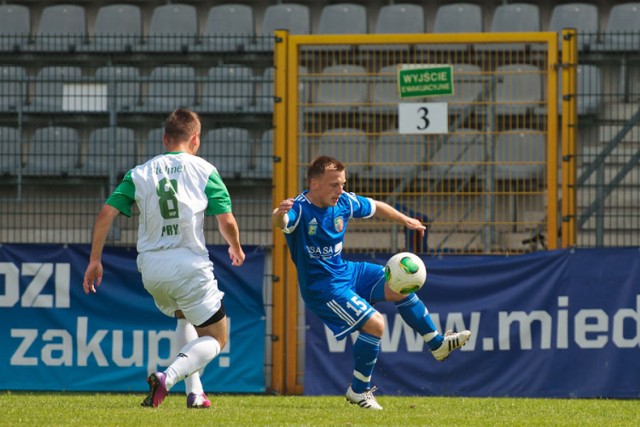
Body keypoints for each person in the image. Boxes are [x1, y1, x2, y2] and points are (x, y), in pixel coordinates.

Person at [272, 156, 470, 410]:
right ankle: (359, 390)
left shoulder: (343, 202)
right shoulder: (299, 208)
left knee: (399, 284)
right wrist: (279, 214)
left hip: (347, 271)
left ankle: (438, 344)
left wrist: (405, 220)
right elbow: (282, 223)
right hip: (324, 288)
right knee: (376, 324)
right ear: (314, 184)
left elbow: (375, 206)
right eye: (334, 184)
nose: (340, 190)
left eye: (342, 183)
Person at [83, 108, 245, 409]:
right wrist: (234, 245)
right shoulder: (204, 170)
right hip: (188, 264)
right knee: (217, 338)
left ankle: (195, 393)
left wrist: (95, 260)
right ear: (195, 139)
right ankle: (168, 378)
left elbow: (106, 212)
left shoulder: (140, 172)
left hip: (151, 268)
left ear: (164, 138)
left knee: (184, 315)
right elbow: (227, 221)